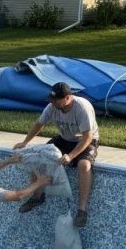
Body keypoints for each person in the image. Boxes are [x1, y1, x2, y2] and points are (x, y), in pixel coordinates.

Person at [13, 81, 99, 227]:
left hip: (85, 140)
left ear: (67, 98)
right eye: (51, 99)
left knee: (84, 165)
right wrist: (25, 141)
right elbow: (39, 123)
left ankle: (82, 210)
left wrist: (71, 156)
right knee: (38, 157)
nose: (52, 102)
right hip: (64, 139)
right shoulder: (52, 107)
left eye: (56, 99)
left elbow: (87, 137)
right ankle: (37, 196)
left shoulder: (82, 108)